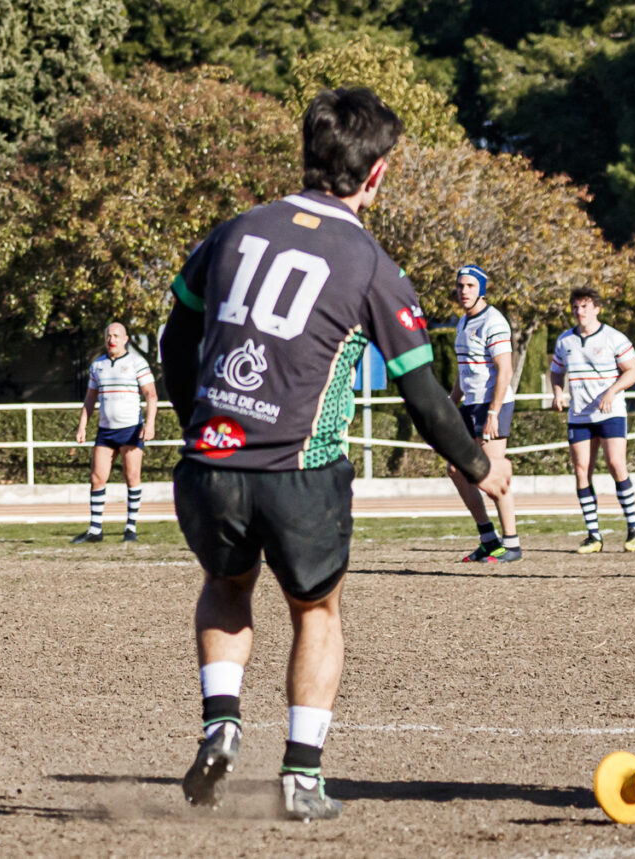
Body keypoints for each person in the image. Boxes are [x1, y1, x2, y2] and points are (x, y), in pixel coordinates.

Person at [163, 87, 511, 823]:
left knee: (226, 584)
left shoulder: (233, 232)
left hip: (208, 466)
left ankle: (221, 722)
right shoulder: (369, 263)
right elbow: (423, 394)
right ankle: (301, 776)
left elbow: (176, 336)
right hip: (301, 473)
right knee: (317, 611)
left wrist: (198, 421)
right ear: (375, 173)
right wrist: (483, 466)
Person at [548, 288, 635, 553]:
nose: (580, 312)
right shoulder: (565, 340)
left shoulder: (614, 337)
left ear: (597, 309)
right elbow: (556, 371)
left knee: (615, 464)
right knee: (581, 470)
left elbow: (634, 371)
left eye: (585, 306)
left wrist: (612, 391)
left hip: (610, 413)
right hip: (579, 415)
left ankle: (633, 529)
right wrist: (557, 392)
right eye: (576, 307)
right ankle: (593, 536)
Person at [448, 266, 521, 563]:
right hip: (470, 405)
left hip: (491, 405)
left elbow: (505, 370)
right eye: (460, 286)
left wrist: (493, 411)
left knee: (491, 474)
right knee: (456, 470)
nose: (464, 291)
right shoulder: (463, 322)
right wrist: (451, 403)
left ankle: (512, 544)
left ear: (481, 289)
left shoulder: (494, 321)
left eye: (470, 285)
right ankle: (488, 539)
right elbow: (464, 369)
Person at [70, 322, 158, 544]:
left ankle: (130, 528)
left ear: (126, 339)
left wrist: (150, 424)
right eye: (109, 335)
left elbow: (151, 394)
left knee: (132, 477)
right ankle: (95, 530)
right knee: (97, 477)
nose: (112, 339)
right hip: (105, 431)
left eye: (117, 336)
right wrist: (82, 426)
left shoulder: (137, 363)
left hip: (131, 429)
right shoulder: (97, 365)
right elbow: (90, 398)